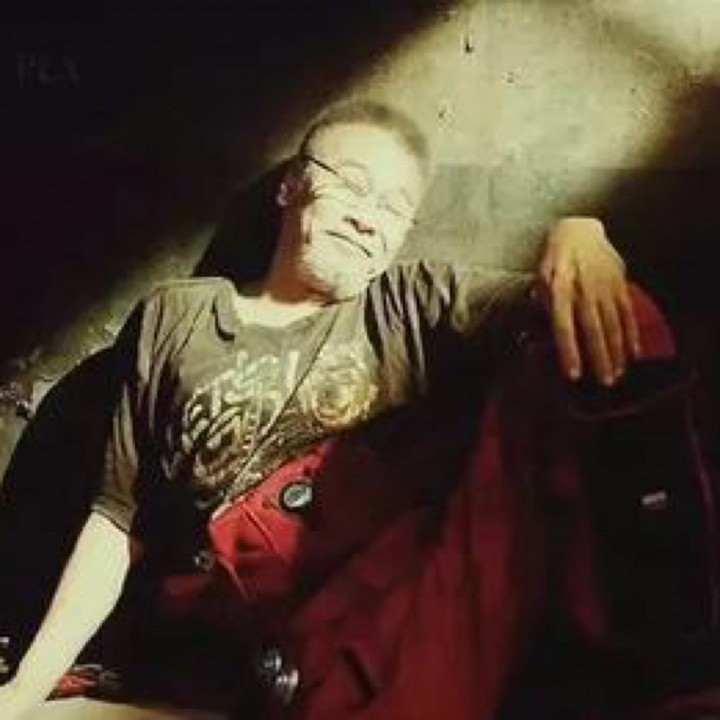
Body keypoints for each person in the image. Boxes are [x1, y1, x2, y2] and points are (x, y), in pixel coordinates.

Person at [0, 100, 640, 719]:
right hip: (205, 644)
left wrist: (580, 233)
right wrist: (25, 689)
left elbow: (557, 309)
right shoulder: (181, 315)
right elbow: (118, 522)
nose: (369, 220)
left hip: (349, 645)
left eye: (394, 208)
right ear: (291, 187)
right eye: (354, 186)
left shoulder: (405, 305)